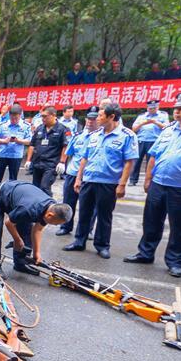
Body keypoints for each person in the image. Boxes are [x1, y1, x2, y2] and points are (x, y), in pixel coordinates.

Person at [124, 93, 181, 277]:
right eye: (175, 109)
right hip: (158, 184)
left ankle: (176, 261)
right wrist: (148, 179)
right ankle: (145, 253)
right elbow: (154, 155)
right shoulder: (169, 129)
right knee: (151, 221)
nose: (177, 112)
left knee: (180, 226)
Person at [63, 103, 138, 259]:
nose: (97, 118)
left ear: (111, 117)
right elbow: (84, 158)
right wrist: (78, 178)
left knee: (104, 215)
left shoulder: (127, 135)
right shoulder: (94, 135)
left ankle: (102, 245)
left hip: (108, 182)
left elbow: (129, 162)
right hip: (89, 180)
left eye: (100, 115)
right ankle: (79, 241)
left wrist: (122, 184)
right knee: (84, 212)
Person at [0, 180, 72, 274]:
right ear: (49, 215)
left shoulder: (51, 208)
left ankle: (20, 263)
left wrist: (36, 253)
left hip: (17, 199)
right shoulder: (29, 209)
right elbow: (9, 223)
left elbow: (37, 230)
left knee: (27, 230)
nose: (55, 225)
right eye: (55, 223)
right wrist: (17, 240)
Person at [57, 106, 99, 235]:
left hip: (89, 176)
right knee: (68, 202)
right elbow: (68, 152)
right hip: (72, 173)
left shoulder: (101, 137)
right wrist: (62, 163)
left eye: (94, 119)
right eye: (89, 119)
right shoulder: (78, 136)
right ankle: (65, 226)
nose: (90, 122)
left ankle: (88, 230)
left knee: (88, 206)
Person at [24, 106, 67, 194]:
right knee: (35, 188)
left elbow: (65, 146)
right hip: (37, 163)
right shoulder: (40, 128)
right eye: (42, 116)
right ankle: (37, 207)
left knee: (44, 187)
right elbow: (32, 144)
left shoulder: (62, 129)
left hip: (51, 164)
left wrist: (62, 162)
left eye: (45, 116)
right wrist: (28, 160)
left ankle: (49, 206)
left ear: (53, 115)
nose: (43, 118)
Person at [130, 100, 170, 186]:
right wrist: (143, 123)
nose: (151, 110)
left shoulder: (163, 115)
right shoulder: (142, 116)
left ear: (157, 107)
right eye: (150, 108)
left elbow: (167, 127)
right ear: (147, 108)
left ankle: (150, 180)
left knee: (151, 162)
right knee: (136, 161)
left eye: (154, 108)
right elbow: (134, 129)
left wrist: (155, 122)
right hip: (141, 141)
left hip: (154, 141)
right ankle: (133, 180)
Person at [0, 104, 31, 185]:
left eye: (16, 118)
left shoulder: (26, 126)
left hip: (15, 156)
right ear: (9, 115)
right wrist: (4, 141)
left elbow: (30, 141)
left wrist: (19, 141)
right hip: (2, 155)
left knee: (13, 181)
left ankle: (10, 196)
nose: (13, 120)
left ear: (20, 115)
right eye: (11, 118)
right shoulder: (2, 125)